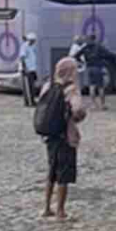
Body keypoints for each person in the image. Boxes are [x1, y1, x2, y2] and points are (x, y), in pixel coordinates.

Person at [40, 57, 87, 221]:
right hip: (65, 135)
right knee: (63, 173)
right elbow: (78, 110)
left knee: (51, 170)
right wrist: (77, 117)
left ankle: (46, 207)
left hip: (50, 135)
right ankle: (60, 210)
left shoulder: (48, 86)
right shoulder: (71, 89)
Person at [77, 35, 116, 110]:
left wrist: (83, 62)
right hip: (98, 68)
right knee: (100, 87)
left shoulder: (85, 47)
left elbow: (76, 55)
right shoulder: (99, 47)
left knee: (92, 87)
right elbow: (108, 54)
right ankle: (102, 105)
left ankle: (93, 105)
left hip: (89, 68)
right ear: (94, 39)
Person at [20, 33, 39, 107]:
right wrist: (25, 69)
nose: (34, 42)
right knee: (27, 87)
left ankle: (32, 100)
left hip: (32, 69)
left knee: (32, 86)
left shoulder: (32, 46)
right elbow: (22, 58)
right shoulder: (24, 46)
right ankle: (28, 102)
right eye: (33, 41)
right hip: (27, 70)